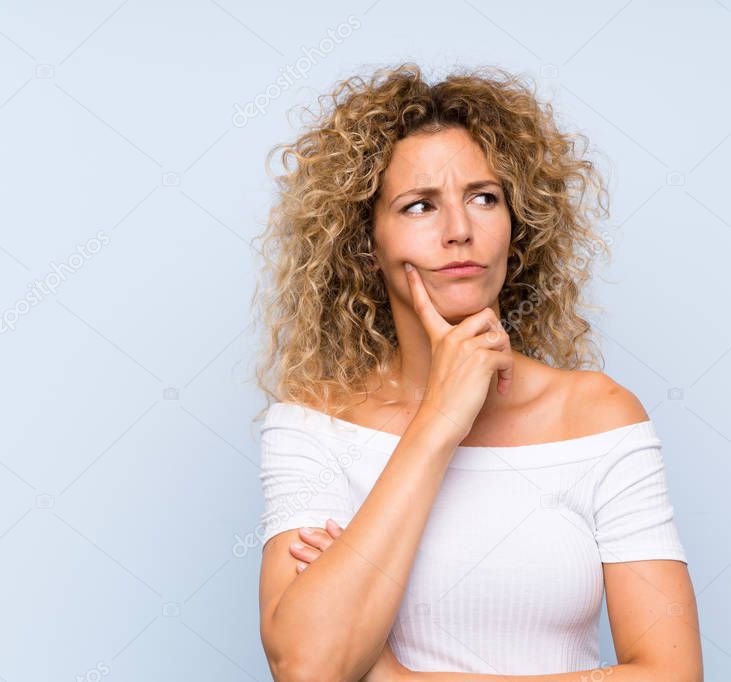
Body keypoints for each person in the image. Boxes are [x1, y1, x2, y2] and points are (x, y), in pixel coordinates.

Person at [252, 62, 703, 681]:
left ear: (516, 227)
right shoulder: (311, 426)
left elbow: (672, 675)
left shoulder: (598, 415)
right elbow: (309, 669)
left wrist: (399, 680)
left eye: (483, 198)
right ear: (366, 242)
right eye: (418, 207)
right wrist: (440, 420)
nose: (459, 231)